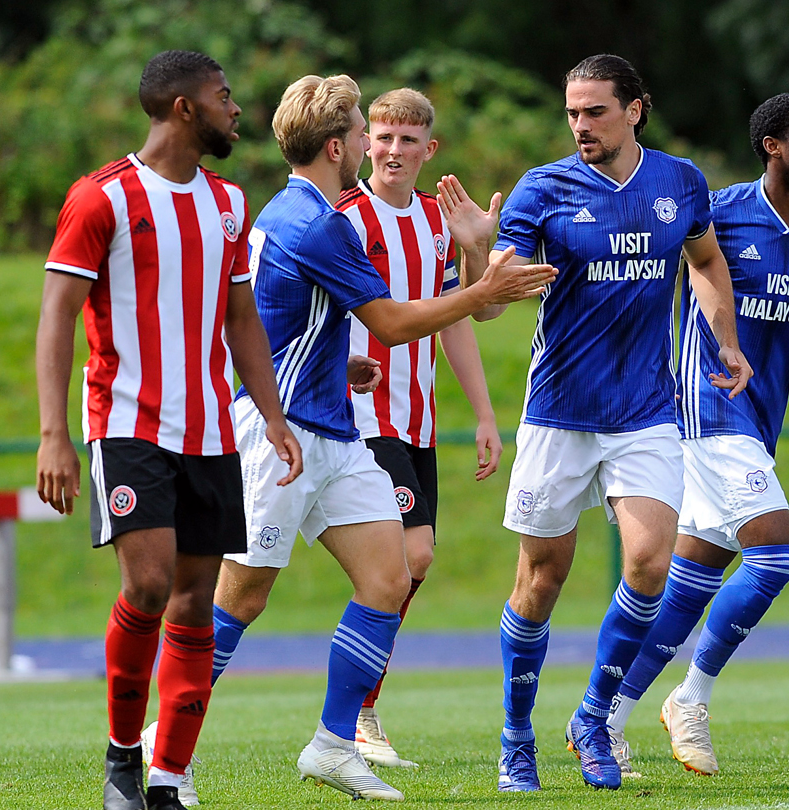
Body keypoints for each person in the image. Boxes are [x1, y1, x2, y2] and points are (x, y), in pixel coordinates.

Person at [201, 74, 554, 801]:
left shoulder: (311, 210)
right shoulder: (320, 221)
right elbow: (392, 321)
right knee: (241, 597)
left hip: (332, 430)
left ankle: (335, 744)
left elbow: (289, 318)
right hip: (283, 437)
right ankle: (159, 737)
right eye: (365, 131)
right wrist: (484, 291)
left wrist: (340, 360)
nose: (372, 142)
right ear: (338, 146)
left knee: (390, 578)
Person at [34, 50, 303, 810]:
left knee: (194, 599)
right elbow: (56, 318)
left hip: (212, 431)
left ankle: (168, 778)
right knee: (148, 585)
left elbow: (242, 319)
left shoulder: (228, 202)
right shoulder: (101, 199)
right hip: (126, 425)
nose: (236, 109)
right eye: (224, 97)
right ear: (185, 109)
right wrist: (55, 434)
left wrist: (273, 417)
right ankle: (124, 753)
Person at [478, 53, 753, 793]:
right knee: (541, 579)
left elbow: (705, 258)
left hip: (644, 411)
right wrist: (480, 250)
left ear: (635, 110)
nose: (580, 126)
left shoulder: (679, 182)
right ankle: (515, 737)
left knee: (649, 562)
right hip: (559, 413)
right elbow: (492, 304)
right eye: (572, 112)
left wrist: (724, 336)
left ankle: (594, 717)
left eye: (595, 111)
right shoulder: (544, 188)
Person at [604, 92, 789, 777]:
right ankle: (691, 698)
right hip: (701, 405)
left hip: (758, 422)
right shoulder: (720, 212)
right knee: (774, 556)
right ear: (773, 146)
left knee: (689, 586)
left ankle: (603, 717)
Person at [334, 87, 506, 769]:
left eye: (409, 140)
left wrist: (486, 413)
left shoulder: (438, 221)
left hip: (417, 419)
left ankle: (357, 709)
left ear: (429, 149)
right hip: (358, 416)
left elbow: (462, 314)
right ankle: (356, 713)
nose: (394, 150)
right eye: (382, 137)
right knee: (412, 559)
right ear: (362, 141)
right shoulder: (345, 217)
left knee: (409, 566)